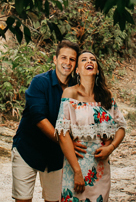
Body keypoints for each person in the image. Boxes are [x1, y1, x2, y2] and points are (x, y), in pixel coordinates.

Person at [12, 40, 87, 202]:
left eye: (72, 59)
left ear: (76, 64)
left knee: (54, 200)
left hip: (55, 156)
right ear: (55, 59)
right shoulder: (39, 82)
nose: (67, 63)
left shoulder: (78, 87)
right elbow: (40, 119)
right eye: (63, 58)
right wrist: (66, 143)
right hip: (28, 150)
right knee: (23, 199)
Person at [56, 50, 127, 202]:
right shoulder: (70, 93)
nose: (89, 61)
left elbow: (121, 127)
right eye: (84, 60)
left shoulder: (106, 96)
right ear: (77, 70)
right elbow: (62, 134)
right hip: (76, 164)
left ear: (97, 68)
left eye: (93, 59)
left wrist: (111, 147)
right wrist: (77, 171)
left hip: (101, 169)